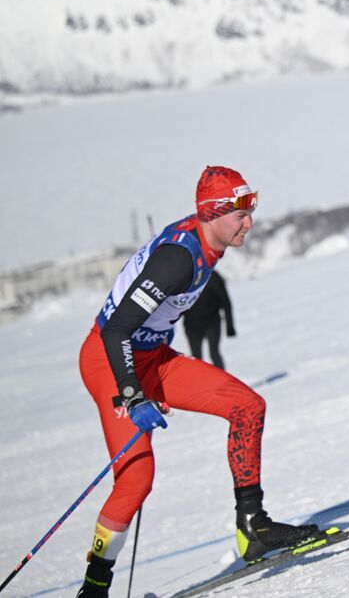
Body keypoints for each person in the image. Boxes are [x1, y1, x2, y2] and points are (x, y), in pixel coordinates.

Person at [76, 167, 320, 598]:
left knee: (247, 406)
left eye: (251, 211)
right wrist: (134, 396)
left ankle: (253, 526)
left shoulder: (212, 243)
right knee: (137, 480)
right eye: (241, 214)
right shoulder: (179, 258)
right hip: (112, 361)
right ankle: (94, 589)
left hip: (153, 357)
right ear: (212, 214)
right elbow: (116, 331)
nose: (249, 223)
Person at [182, 269, 235, 370]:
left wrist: (230, 326)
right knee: (196, 358)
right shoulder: (186, 277)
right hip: (191, 326)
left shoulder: (214, 277)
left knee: (213, 353)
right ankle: (199, 385)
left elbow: (226, 302)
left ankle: (222, 382)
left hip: (212, 323)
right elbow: (175, 304)